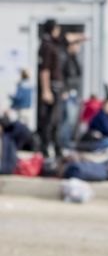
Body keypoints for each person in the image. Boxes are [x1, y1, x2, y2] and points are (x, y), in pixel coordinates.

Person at [37, 18, 64, 157]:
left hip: (56, 87)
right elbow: (45, 70)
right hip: (52, 87)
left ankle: (55, 147)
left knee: (55, 120)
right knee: (49, 120)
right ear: (53, 29)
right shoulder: (47, 45)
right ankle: (46, 148)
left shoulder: (53, 43)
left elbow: (67, 38)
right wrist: (46, 90)